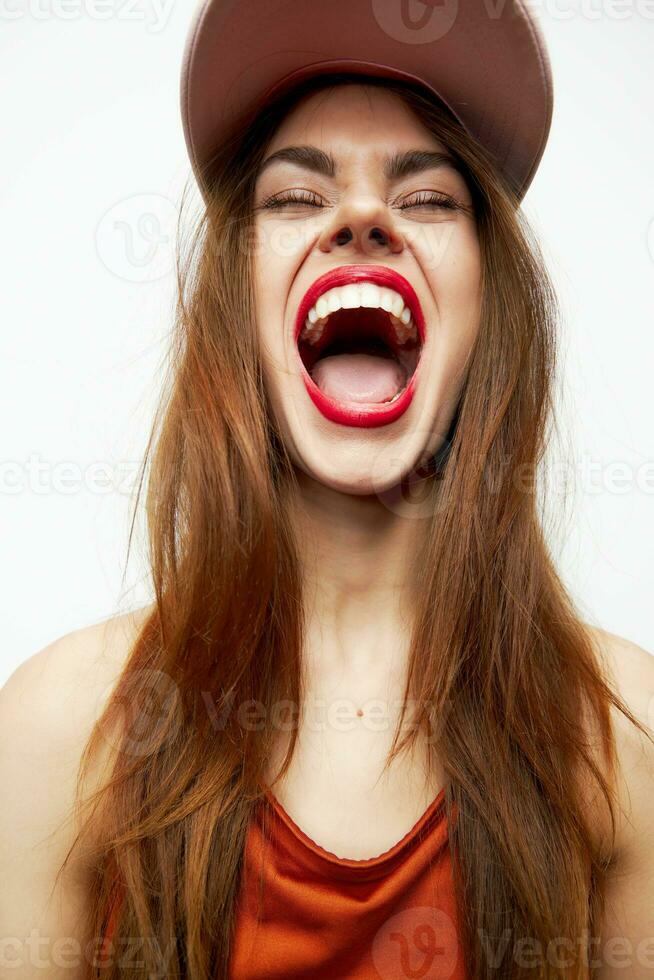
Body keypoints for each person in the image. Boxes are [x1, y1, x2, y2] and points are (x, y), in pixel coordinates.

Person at [2, 2, 653, 978]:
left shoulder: (622, 743)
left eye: (430, 199)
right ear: (239, 301)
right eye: (296, 199)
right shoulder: (62, 728)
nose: (361, 216)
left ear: (488, 303)